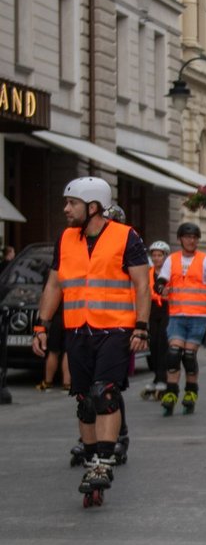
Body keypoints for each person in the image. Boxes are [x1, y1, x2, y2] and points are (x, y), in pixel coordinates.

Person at [32, 177, 150, 506]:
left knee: (104, 393)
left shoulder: (126, 236)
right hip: (77, 329)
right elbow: (54, 285)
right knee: (84, 399)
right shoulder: (66, 239)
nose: (66, 209)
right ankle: (90, 460)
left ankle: (104, 463)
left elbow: (142, 284)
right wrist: (41, 326)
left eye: (72, 203)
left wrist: (141, 328)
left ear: (94, 207)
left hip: (115, 329)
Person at [156, 223, 206, 415]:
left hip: (198, 317)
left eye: (194, 237)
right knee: (173, 354)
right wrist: (162, 289)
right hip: (177, 316)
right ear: (180, 239)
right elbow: (160, 281)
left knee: (188, 355)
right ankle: (171, 393)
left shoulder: (204, 260)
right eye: (187, 237)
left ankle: (191, 392)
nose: (191, 240)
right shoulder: (172, 260)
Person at [141, 240, 171, 401]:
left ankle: (162, 378)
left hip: (167, 309)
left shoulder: (169, 273)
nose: (156, 258)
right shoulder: (148, 272)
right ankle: (157, 376)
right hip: (152, 310)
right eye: (154, 255)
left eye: (159, 255)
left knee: (162, 344)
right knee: (152, 345)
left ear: (165, 256)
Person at [35, 302, 71, 392]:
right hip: (71, 317)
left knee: (53, 352)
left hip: (56, 317)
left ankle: (48, 382)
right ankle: (67, 384)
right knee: (68, 351)